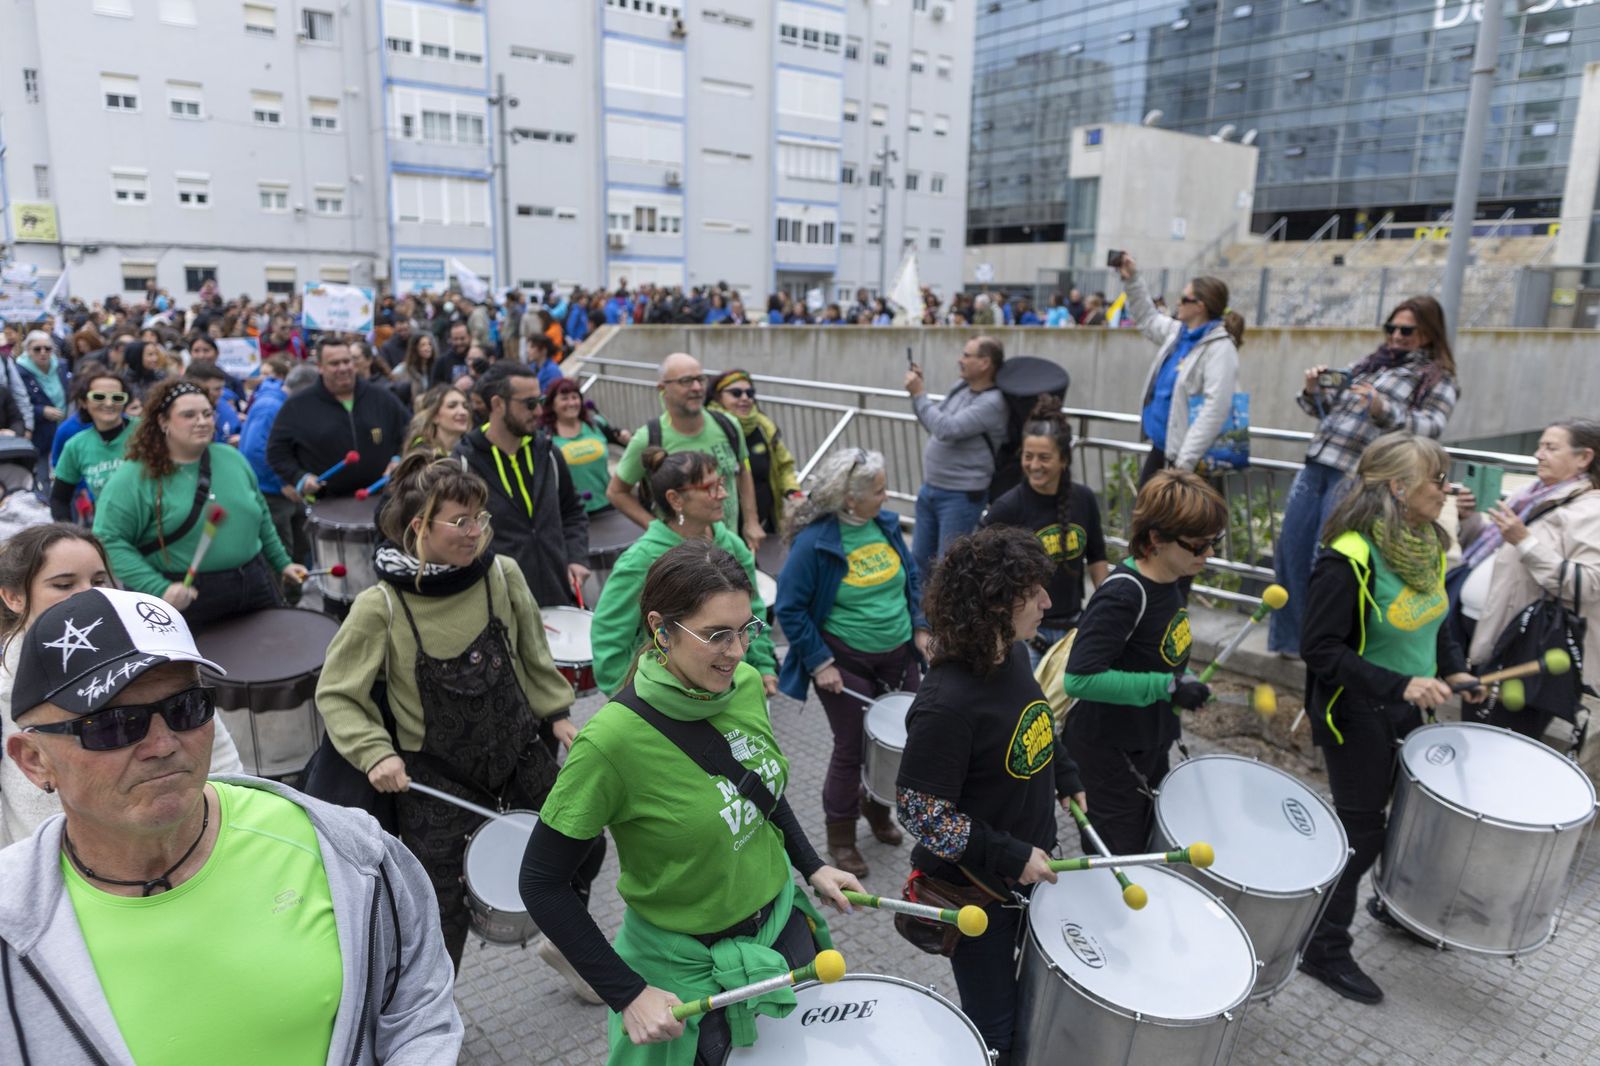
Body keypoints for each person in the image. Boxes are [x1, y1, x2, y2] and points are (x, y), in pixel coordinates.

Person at [0, 586, 463, 1064]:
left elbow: (417, 1004)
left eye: (187, 708)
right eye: (115, 724)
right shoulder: (13, 923)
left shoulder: (344, 850)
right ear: (34, 761)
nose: (163, 744)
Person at [519, 542, 861, 1064]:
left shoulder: (743, 685)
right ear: (661, 629)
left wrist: (811, 865)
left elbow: (757, 792)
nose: (738, 651)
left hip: (781, 934)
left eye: (746, 629)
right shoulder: (610, 743)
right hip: (684, 976)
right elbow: (541, 883)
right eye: (716, 635)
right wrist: (627, 993)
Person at [315, 453, 602, 988]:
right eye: (461, 521)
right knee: (440, 916)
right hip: (435, 781)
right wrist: (375, 752)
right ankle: (430, 1023)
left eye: (481, 519)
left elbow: (535, 659)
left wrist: (559, 715)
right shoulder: (381, 606)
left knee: (584, 846)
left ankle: (567, 944)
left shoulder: (501, 574)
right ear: (420, 526)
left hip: (519, 758)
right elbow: (337, 694)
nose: (476, 533)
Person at [1299, 432, 1484, 1004]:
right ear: (1399, 488)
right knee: (1362, 833)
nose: (1448, 489)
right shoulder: (1349, 557)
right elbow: (1321, 650)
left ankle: (1397, 907)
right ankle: (1321, 948)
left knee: (1407, 820)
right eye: (1438, 478)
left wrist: (1456, 673)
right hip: (1358, 711)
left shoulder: (1426, 539)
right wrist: (1400, 683)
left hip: (1410, 706)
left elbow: (1437, 622)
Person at [896, 526, 1083, 1064]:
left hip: (1030, 867)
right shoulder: (946, 704)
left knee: (1035, 1003)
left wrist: (1067, 775)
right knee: (995, 1032)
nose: (1048, 602)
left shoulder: (1013, 657)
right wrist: (1010, 856)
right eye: (1034, 592)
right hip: (980, 892)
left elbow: (1035, 725)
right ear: (997, 603)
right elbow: (922, 813)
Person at [0, 524, 243, 847]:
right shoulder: (6, 689)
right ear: (13, 597)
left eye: (98, 581)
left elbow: (225, 764)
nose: (89, 594)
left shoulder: (154, 660)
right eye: (64, 584)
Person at [1269, 296, 1460, 656]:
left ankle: (1325, 648)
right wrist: (1313, 391)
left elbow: (1430, 427)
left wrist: (1381, 407)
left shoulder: (1437, 378)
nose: (1397, 336)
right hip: (1318, 463)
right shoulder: (1370, 363)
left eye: (1407, 330)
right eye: (1392, 328)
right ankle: (1290, 644)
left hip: (1359, 475)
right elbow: (1325, 411)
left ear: (1429, 333)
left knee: (1326, 560)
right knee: (1291, 554)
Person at [774, 449, 927, 877]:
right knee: (851, 748)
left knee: (899, 740)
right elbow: (790, 608)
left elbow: (911, 579)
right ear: (849, 499)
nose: (886, 496)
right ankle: (840, 839)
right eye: (878, 491)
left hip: (899, 657)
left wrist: (920, 626)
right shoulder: (814, 544)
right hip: (845, 664)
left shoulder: (887, 525)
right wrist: (820, 662)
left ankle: (878, 811)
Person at [1060, 470, 1227, 855]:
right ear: (1156, 539)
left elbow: (1154, 654)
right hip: (1108, 756)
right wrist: (1165, 686)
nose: (1210, 554)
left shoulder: (1176, 578)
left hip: (1149, 744)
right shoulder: (1122, 595)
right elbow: (1079, 679)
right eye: (1199, 546)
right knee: (1122, 864)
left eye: (1213, 543)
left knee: (1151, 849)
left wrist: (1183, 685)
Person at [94, 379, 308, 627]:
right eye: (189, 415)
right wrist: (158, 588)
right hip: (188, 596)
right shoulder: (133, 476)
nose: (203, 421)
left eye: (208, 413)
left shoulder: (231, 457)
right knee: (206, 667)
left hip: (255, 580)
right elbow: (108, 539)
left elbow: (260, 515)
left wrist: (282, 563)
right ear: (163, 422)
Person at [1455, 419, 1600, 739]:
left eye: (1551, 447)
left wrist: (1525, 541)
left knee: (1501, 745)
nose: (1538, 454)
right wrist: (1470, 522)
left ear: (1584, 457)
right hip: (1487, 639)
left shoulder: (1592, 510)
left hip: (1525, 652)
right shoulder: (1531, 494)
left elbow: (1589, 584)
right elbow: (1499, 560)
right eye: (1539, 446)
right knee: (1474, 735)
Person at [592, 449, 778, 697]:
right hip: (667, 701)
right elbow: (608, 639)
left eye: (721, 484)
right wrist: (630, 699)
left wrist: (763, 665)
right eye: (710, 488)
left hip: (731, 691)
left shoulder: (731, 544)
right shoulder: (640, 561)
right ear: (675, 499)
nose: (723, 494)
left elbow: (754, 611)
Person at [980, 399, 1109, 667]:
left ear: (1064, 459)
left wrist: (1104, 610)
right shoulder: (1007, 508)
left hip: (1073, 633)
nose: (1034, 465)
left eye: (1044, 457)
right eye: (1028, 456)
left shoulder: (1083, 499)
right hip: (1025, 639)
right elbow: (980, 571)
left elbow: (1097, 558)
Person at [453, 363, 588, 608]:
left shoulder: (548, 453)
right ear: (498, 404)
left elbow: (572, 512)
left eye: (541, 400)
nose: (538, 411)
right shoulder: (463, 463)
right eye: (529, 403)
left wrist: (576, 558)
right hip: (498, 608)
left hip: (557, 598)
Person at [608, 353, 764, 551]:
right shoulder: (647, 438)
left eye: (700, 379)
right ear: (662, 388)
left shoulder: (728, 426)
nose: (697, 388)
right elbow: (616, 492)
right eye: (686, 381)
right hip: (682, 558)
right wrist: (657, 530)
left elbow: (743, 469)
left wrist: (751, 521)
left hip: (729, 547)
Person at [1114, 253, 1245, 486]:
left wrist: (1184, 463)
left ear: (1199, 307)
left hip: (1188, 462)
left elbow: (1215, 409)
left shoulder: (1220, 349)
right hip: (1164, 451)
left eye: (1184, 298)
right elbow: (1147, 318)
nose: (1177, 303)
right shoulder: (1178, 334)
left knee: (1176, 520)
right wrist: (1132, 279)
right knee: (1146, 518)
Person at [905, 336, 1009, 579]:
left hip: (960, 496)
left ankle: (942, 618)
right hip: (931, 489)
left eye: (966, 355)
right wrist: (917, 394)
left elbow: (946, 429)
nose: (959, 360)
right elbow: (933, 422)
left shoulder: (993, 402)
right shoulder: (961, 387)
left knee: (948, 565)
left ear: (984, 363)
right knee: (920, 561)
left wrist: (920, 393)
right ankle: (919, 617)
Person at [267, 335, 410, 500]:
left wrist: (400, 459)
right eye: (334, 363)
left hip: (382, 499)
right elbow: (276, 453)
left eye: (347, 361)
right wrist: (299, 477)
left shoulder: (382, 397)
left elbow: (411, 434)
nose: (343, 368)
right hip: (326, 502)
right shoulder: (297, 406)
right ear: (320, 367)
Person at [241, 362, 318, 567]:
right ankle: (283, 598)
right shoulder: (271, 406)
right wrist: (283, 481)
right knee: (282, 552)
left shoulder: (283, 404)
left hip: (287, 489)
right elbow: (255, 450)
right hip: (273, 493)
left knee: (301, 544)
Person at [707, 369, 802, 536]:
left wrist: (793, 491)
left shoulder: (764, 427)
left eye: (750, 393)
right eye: (736, 393)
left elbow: (784, 466)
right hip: (722, 528)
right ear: (718, 396)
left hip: (764, 526)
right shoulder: (708, 428)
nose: (745, 398)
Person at [49, 369, 135, 523]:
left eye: (117, 397)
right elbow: (59, 499)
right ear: (83, 402)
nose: (109, 403)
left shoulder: (145, 431)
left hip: (156, 531)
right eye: (99, 397)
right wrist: (69, 535)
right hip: (109, 534)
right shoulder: (76, 445)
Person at [541, 377, 630, 514]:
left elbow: (628, 446)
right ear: (552, 404)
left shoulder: (596, 424)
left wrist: (627, 438)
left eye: (575, 397)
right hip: (569, 513)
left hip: (607, 506)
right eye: (564, 398)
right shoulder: (544, 435)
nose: (571, 403)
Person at [16, 331, 68, 478]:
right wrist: (41, 411)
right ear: (28, 351)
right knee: (42, 474)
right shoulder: (19, 370)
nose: (43, 352)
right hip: (39, 432)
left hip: (61, 427)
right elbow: (17, 404)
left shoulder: (61, 366)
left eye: (48, 348)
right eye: (37, 349)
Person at [405, 384, 472, 457]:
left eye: (465, 406)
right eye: (452, 406)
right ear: (434, 416)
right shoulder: (422, 454)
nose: (463, 412)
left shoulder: (471, 449)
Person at [392, 331, 437, 409]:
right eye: (423, 345)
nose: (428, 348)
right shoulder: (403, 369)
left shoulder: (435, 368)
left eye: (429, 344)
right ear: (415, 348)